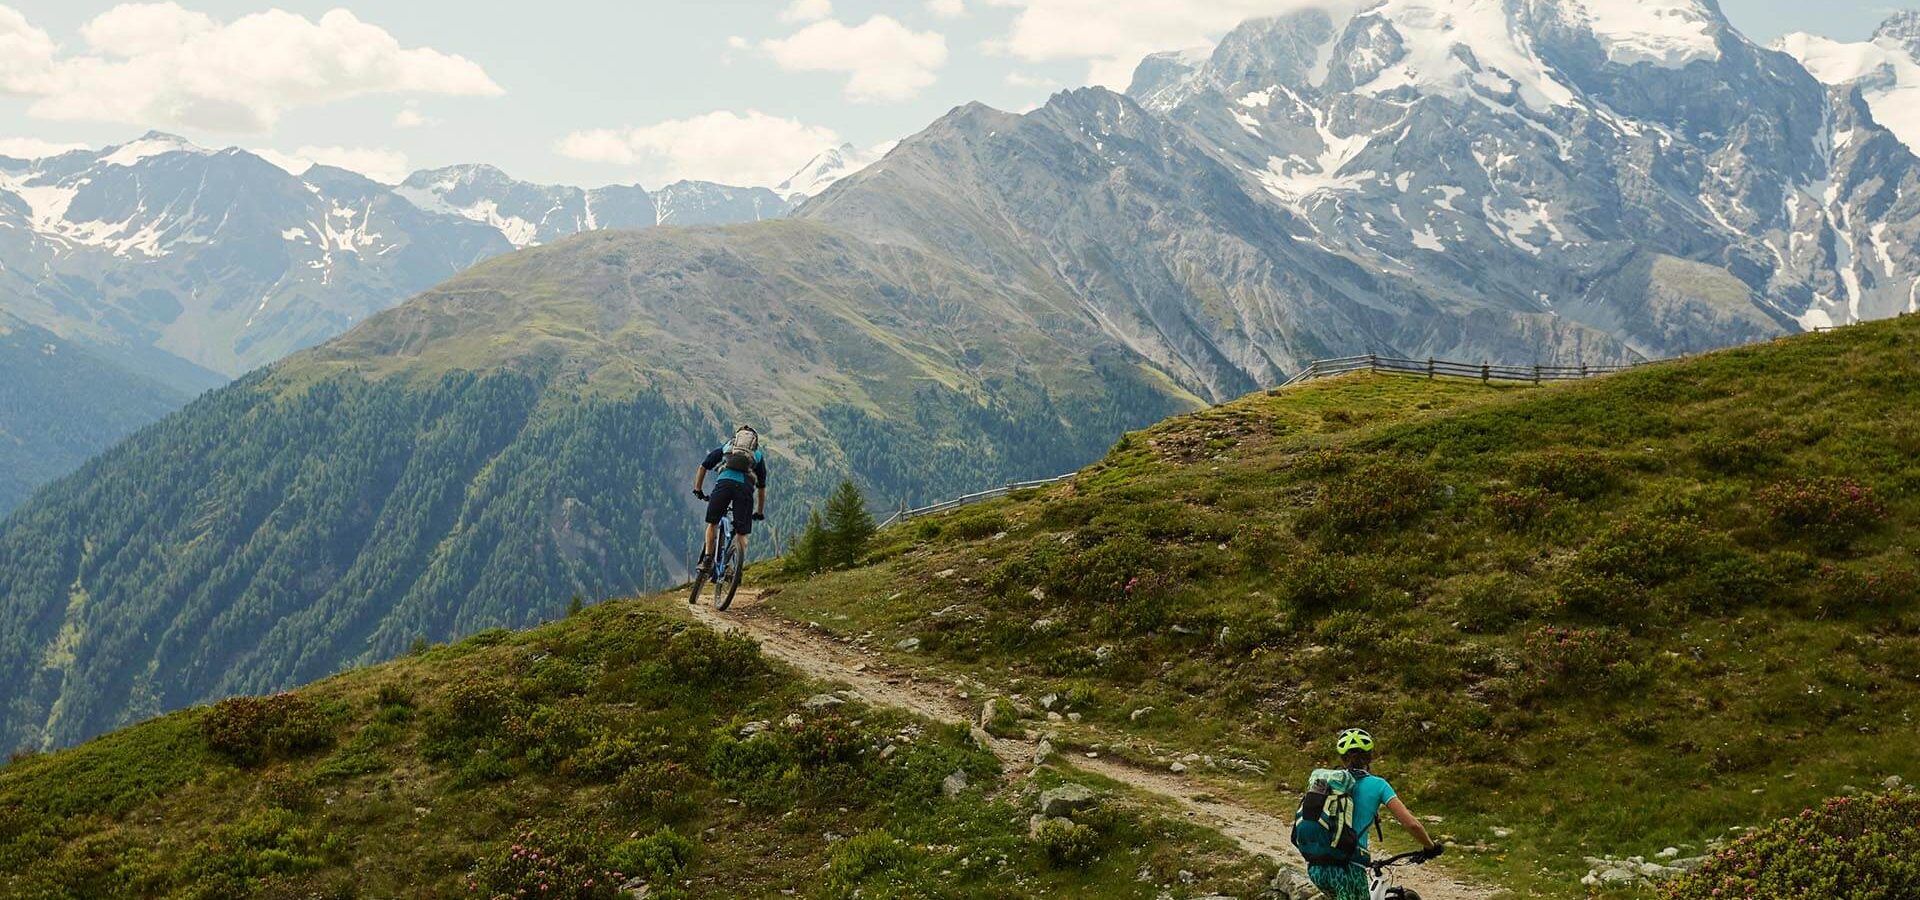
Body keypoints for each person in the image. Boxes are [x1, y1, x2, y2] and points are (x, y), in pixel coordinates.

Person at [1299, 728, 1442, 900]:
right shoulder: (1378, 785)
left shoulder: (1329, 782)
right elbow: (1411, 824)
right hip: (1348, 868)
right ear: (1369, 756)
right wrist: (1430, 847)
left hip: (1317, 865)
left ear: (1342, 758)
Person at [693, 425, 769, 582]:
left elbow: (703, 466)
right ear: (754, 442)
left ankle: (707, 558)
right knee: (741, 533)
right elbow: (761, 487)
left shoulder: (728, 447)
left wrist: (698, 489)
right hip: (744, 490)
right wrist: (760, 512)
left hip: (724, 485)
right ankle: (736, 571)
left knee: (712, 523)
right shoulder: (758, 455)